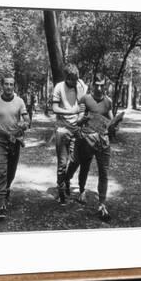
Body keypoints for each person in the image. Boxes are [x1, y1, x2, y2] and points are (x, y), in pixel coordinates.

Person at [67, 72, 113, 221]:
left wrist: (114, 125)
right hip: (87, 140)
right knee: (82, 166)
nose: (99, 89)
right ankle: (80, 190)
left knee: (104, 172)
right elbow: (78, 119)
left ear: (105, 85)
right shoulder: (85, 99)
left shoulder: (108, 101)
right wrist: (83, 119)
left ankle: (102, 204)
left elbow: (110, 120)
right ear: (93, 84)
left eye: (102, 85)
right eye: (97, 85)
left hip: (103, 142)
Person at [0, 76, 30, 220]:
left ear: (14, 86)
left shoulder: (19, 102)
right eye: (6, 84)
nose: (8, 87)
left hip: (14, 140)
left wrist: (24, 125)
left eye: (11, 84)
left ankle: (5, 189)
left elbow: (26, 119)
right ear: (2, 85)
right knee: (2, 172)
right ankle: (1, 205)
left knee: (11, 173)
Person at [51, 64, 87, 205]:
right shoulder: (59, 87)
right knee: (62, 163)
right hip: (62, 129)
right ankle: (61, 192)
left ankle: (67, 178)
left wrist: (80, 118)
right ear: (66, 78)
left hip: (76, 128)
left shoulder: (80, 85)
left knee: (76, 160)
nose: (75, 82)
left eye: (77, 78)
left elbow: (83, 106)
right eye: (72, 79)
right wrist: (72, 111)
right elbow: (54, 108)